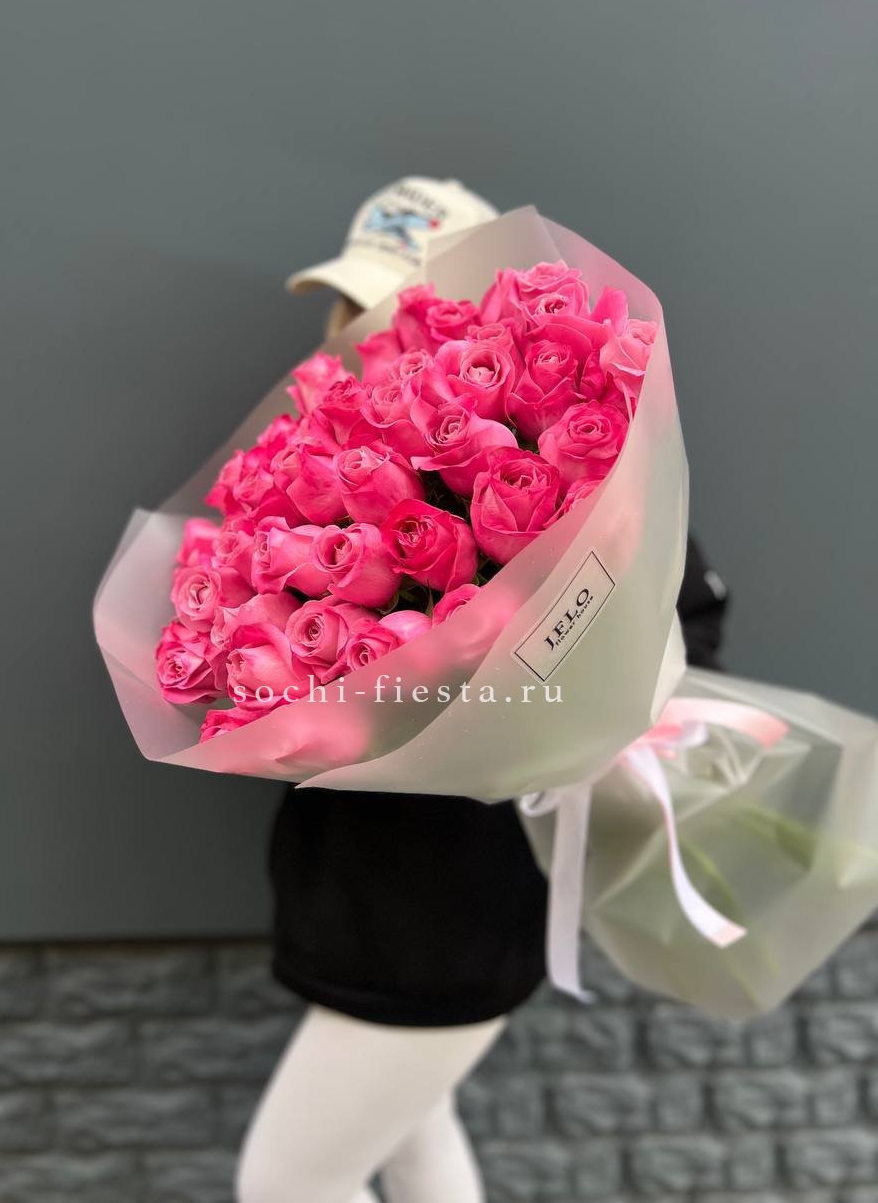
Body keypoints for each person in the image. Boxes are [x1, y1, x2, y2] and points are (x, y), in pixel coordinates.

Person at [234, 177, 731, 1203]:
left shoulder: (581, 472)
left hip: (445, 911)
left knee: (288, 1184)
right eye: (353, 301)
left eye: (397, 300)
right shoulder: (328, 460)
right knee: (416, 1145)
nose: (365, 327)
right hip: (355, 885)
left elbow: (680, 634)